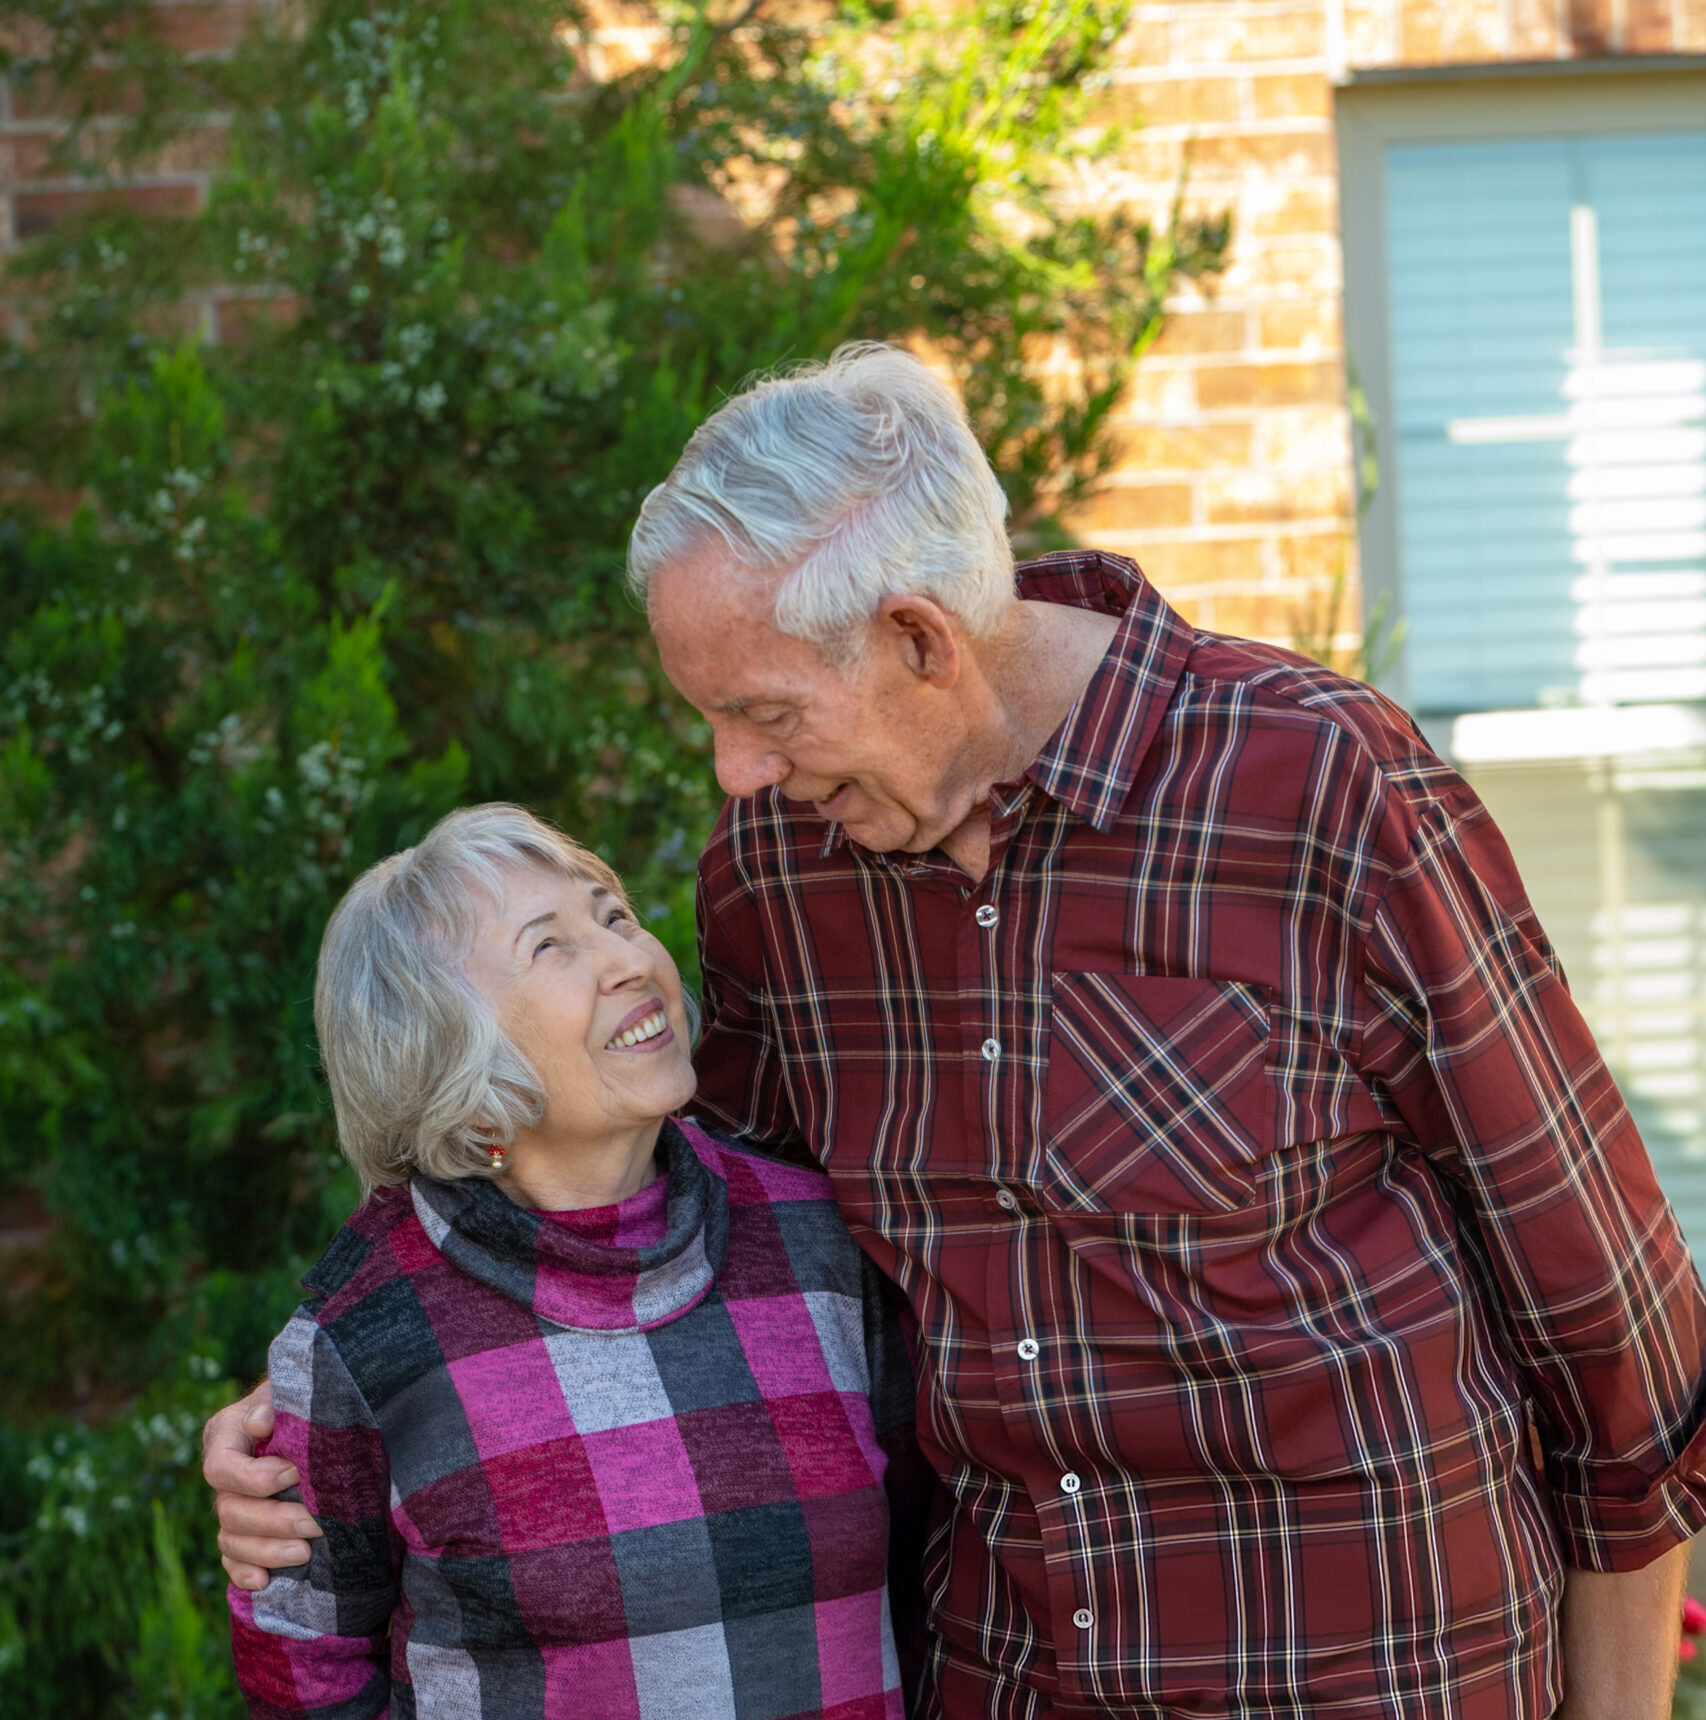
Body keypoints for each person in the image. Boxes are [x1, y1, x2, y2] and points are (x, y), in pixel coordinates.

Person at [208, 346, 1706, 1718]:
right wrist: (327, 1421)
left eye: (766, 715)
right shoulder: (781, 877)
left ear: (920, 640)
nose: (734, 773)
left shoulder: (1317, 786)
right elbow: (677, 1230)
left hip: (1370, 1673)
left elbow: (1613, 1343)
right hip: (1005, 1679)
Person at [225, 802, 930, 1719]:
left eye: (614, 915)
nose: (631, 959)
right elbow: (306, 1673)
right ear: (444, 1052)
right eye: (549, 946)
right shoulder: (365, 1338)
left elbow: (934, 1564)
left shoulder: (819, 1239)